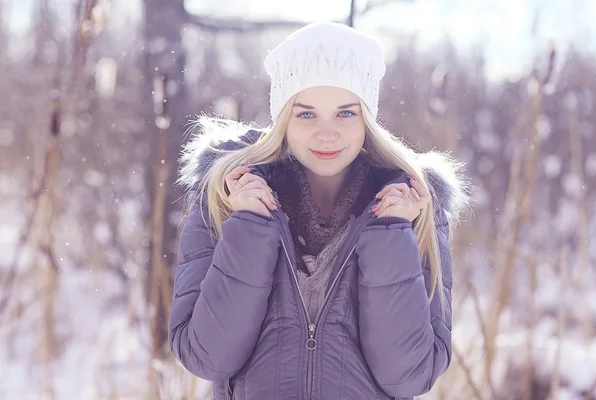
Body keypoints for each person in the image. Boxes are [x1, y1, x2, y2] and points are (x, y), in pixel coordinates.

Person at [168, 21, 470, 400]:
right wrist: (249, 224)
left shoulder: (414, 206)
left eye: (345, 114)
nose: (327, 134)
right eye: (306, 114)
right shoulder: (224, 195)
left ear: (368, 119)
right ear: (282, 118)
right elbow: (207, 357)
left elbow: (407, 376)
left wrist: (391, 234)